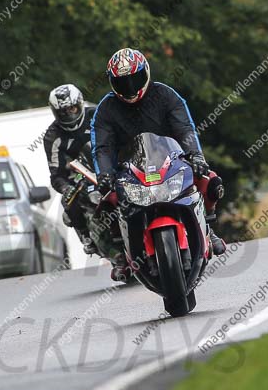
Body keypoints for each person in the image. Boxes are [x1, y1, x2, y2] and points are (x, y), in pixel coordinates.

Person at [91, 48, 226, 280]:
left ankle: (209, 228)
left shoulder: (166, 95)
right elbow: (102, 147)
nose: (131, 87)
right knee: (105, 203)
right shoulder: (105, 110)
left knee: (210, 180)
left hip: (171, 162)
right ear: (113, 83)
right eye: (123, 82)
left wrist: (196, 156)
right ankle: (121, 254)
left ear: (146, 73)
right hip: (130, 172)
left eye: (135, 79)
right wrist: (104, 174)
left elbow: (185, 129)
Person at [43, 84, 98, 255]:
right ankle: (86, 235)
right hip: (80, 176)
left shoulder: (97, 114)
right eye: (63, 112)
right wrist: (66, 188)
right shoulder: (52, 136)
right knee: (69, 199)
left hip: (109, 164)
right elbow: (56, 174)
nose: (69, 114)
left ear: (80, 104)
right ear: (55, 112)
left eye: (72, 108)